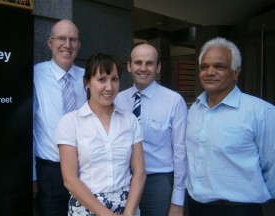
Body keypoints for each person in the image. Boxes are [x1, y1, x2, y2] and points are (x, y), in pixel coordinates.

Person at [185, 37, 275, 216]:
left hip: (239, 209)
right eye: (204, 67)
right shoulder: (194, 108)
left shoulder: (261, 112)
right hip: (195, 206)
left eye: (219, 66)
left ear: (236, 72)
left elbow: (271, 166)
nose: (209, 72)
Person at [56, 52, 146, 216]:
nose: (109, 87)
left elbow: (139, 172)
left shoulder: (130, 120)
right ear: (87, 82)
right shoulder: (70, 122)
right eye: (101, 79)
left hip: (127, 206)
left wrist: (129, 213)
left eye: (114, 79)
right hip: (86, 206)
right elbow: (70, 179)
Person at [114, 43, 188, 216]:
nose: (143, 68)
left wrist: (178, 200)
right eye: (138, 62)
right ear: (129, 66)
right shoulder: (117, 100)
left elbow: (180, 151)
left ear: (158, 67)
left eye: (149, 63)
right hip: (123, 181)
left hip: (158, 184)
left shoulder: (174, 101)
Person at [33, 19, 87, 216]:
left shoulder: (88, 77)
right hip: (50, 174)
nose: (67, 45)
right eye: (61, 39)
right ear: (49, 43)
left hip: (87, 171)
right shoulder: (34, 75)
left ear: (79, 46)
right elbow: (27, 129)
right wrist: (32, 176)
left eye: (73, 40)